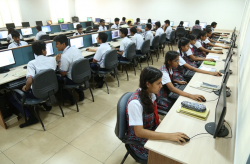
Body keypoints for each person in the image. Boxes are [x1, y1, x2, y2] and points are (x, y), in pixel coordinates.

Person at [126, 66, 189, 158]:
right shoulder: (135, 103)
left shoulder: (151, 95)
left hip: (152, 129)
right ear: (148, 84)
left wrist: (165, 128)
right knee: (173, 153)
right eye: (158, 83)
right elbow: (139, 132)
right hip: (140, 141)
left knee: (177, 142)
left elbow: (155, 116)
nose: (161, 86)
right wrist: (169, 136)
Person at [8, 41, 56, 128]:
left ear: (34, 52)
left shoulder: (32, 63)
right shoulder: (52, 59)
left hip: (38, 93)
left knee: (12, 96)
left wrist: (26, 88)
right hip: (51, 90)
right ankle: (45, 105)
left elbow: (29, 81)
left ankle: (31, 117)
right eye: (45, 49)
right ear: (43, 50)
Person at [54, 35, 84, 105]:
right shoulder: (76, 49)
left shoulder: (65, 56)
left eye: (57, 44)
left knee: (56, 80)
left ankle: (70, 98)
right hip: (81, 76)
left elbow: (63, 74)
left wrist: (58, 61)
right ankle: (79, 90)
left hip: (73, 80)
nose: (55, 46)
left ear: (63, 44)